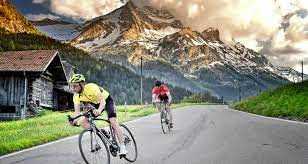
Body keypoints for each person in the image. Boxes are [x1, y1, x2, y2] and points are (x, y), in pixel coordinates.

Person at [68, 74, 127, 155]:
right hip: (95, 105)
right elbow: (77, 112)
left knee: (113, 121)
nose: (73, 89)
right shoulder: (76, 96)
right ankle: (103, 132)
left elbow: (103, 102)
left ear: (82, 84)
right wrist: (74, 120)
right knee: (83, 121)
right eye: (72, 86)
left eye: (75, 86)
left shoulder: (91, 87)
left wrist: (99, 110)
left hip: (106, 101)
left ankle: (122, 147)